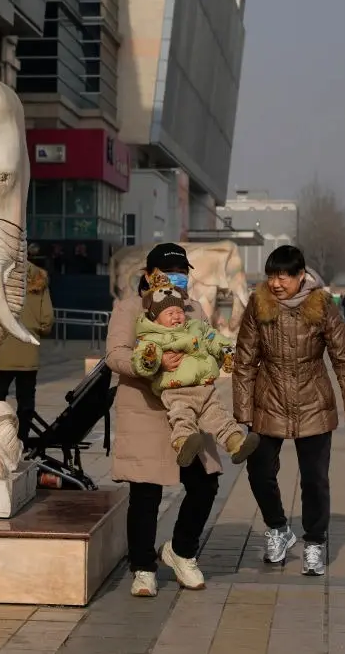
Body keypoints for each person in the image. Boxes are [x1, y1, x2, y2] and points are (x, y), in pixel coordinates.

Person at [233, 245, 345, 577]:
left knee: (315, 479)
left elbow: (344, 357)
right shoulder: (258, 305)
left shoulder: (322, 305)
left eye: (283, 277)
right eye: (271, 276)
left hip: (313, 402)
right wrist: (243, 411)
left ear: (301, 275)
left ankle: (315, 541)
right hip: (269, 400)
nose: (276, 283)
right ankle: (278, 528)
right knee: (259, 470)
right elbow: (244, 361)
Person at [106, 243, 224, 598]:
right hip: (145, 410)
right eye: (169, 272)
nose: (177, 278)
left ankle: (181, 551)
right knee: (146, 492)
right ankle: (143, 568)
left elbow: (206, 347)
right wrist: (153, 362)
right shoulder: (129, 308)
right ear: (149, 275)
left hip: (188, 410)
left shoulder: (194, 309)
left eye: (182, 272)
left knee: (205, 484)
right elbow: (115, 355)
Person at [131, 270, 260, 466]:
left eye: (179, 312)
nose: (177, 317)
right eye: (170, 314)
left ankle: (236, 444)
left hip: (204, 388)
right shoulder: (152, 337)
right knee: (182, 417)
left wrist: (226, 351)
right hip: (176, 390)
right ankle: (184, 444)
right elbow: (142, 360)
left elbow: (214, 338)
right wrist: (151, 359)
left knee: (219, 417)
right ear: (156, 318)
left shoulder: (196, 327)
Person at [0, 256, 55, 448]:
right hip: (28, 350)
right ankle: (22, 440)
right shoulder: (39, 279)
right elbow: (47, 319)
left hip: (1, 350)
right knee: (26, 401)